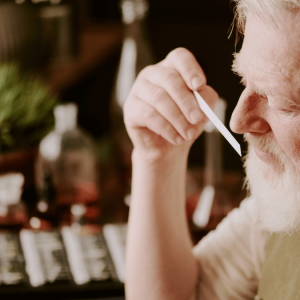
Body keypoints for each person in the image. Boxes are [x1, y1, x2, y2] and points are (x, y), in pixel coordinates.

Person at [123, 0, 300, 299]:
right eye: (245, 81)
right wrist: (157, 159)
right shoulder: (282, 213)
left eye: (281, 102)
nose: (238, 122)